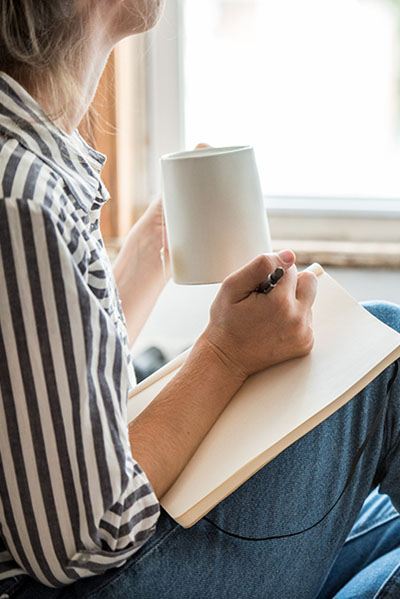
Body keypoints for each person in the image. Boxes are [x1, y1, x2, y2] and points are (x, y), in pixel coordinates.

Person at [0, 1, 399, 598]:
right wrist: (224, 354)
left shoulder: (29, 164)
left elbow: (51, 392)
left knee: (379, 523)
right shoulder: (21, 196)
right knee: (385, 345)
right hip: (75, 583)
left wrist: (153, 248)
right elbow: (81, 536)